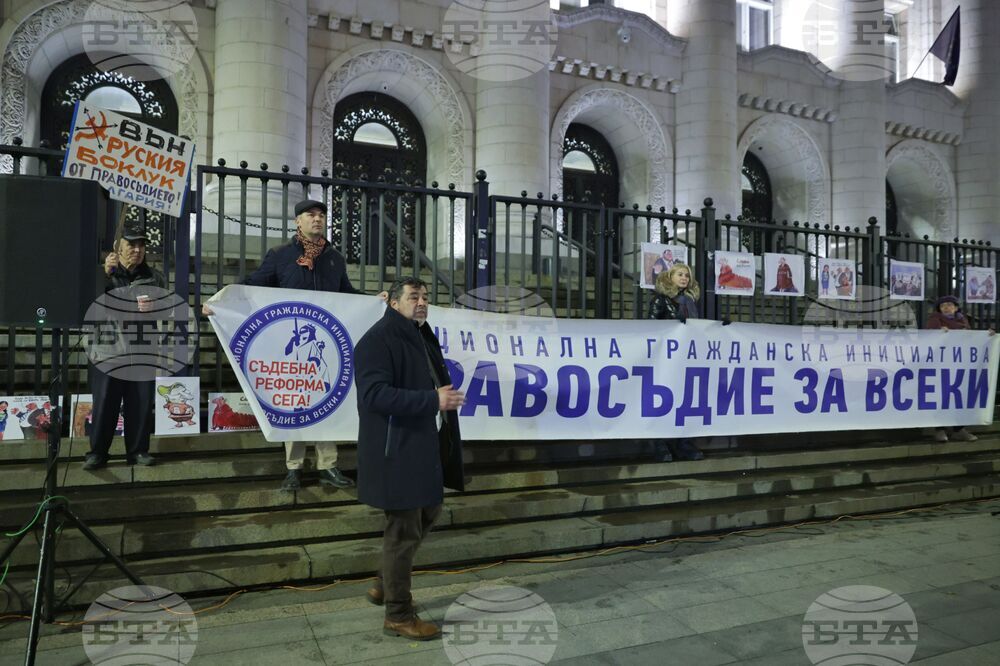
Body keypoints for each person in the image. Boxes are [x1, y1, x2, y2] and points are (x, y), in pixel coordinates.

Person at [206, 198, 372, 491]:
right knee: (295, 402)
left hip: (325, 345)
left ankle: (328, 465)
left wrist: (374, 302)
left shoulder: (334, 259)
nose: (317, 219)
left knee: (326, 400)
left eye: (321, 215)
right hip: (290, 343)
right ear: (298, 221)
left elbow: (347, 293)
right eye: (310, 215)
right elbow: (253, 284)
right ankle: (294, 467)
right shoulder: (280, 255)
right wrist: (221, 302)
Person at [354, 277, 465, 641]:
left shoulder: (418, 333)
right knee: (403, 531)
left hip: (420, 445)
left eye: (426, 297)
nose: (422, 302)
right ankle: (399, 615)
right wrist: (433, 401)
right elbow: (375, 396)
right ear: (394, 302)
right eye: (414, 297)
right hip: (394, 450)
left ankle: (386, 581)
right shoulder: (377, 340)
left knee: (429, 511)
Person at [83, 222, 164, 470]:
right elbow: (86, 303)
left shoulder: (154, 277)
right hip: (107, 351)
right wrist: (103, 275)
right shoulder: (102, 273)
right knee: (105, 403)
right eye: (132, 244)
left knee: (139, 404)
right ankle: (97, 452)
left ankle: (138, 451)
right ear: (118, 247)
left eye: (141, 245)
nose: (137, 250)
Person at [648, 263, 705, 462]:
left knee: (686, 401)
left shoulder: (689, 301)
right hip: (666, 359)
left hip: (686, 358)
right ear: (670, 276)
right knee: (664, 401)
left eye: (687, 276)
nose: (684, 278)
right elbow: (651, 328)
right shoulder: (661, 300)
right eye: (680, 274)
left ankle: (683, 443)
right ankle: (660, 444)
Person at [925, 295, 989, 443]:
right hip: (941, 364)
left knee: (959, 395)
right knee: (941, 394)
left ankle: (958, 429)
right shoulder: (935, 319)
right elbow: (928, 335)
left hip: (960, 364)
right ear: (939, 309)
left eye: (949, 305)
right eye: (943, 305)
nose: (946, 307)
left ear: (956, 307)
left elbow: (971, 338)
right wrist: (938, 332)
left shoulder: (963, 321)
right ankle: (940, 429)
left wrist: (987, 335)